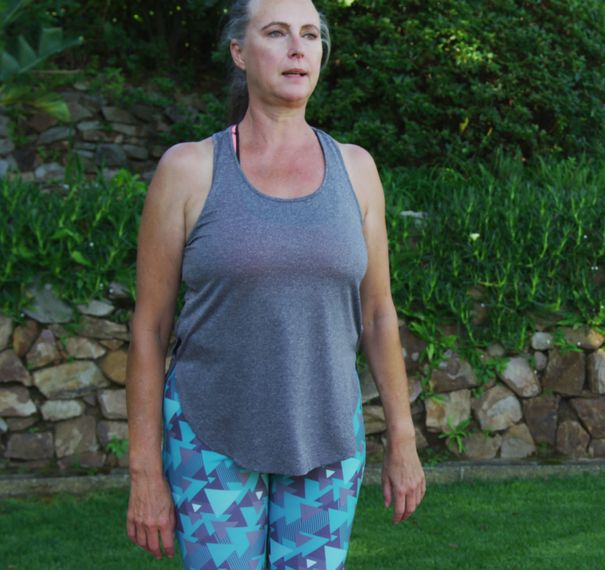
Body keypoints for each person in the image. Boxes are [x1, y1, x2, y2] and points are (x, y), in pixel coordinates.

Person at [124, 0, 425, 566]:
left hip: (328, 438)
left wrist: (403, 439)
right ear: (240, 52)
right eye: (277, 33)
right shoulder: (189, 170)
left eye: (310, 35)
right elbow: (150, 327)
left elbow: (379, 314)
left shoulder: (356, 169)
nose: (297, 47)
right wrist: (145, 470)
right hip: (210, 437)